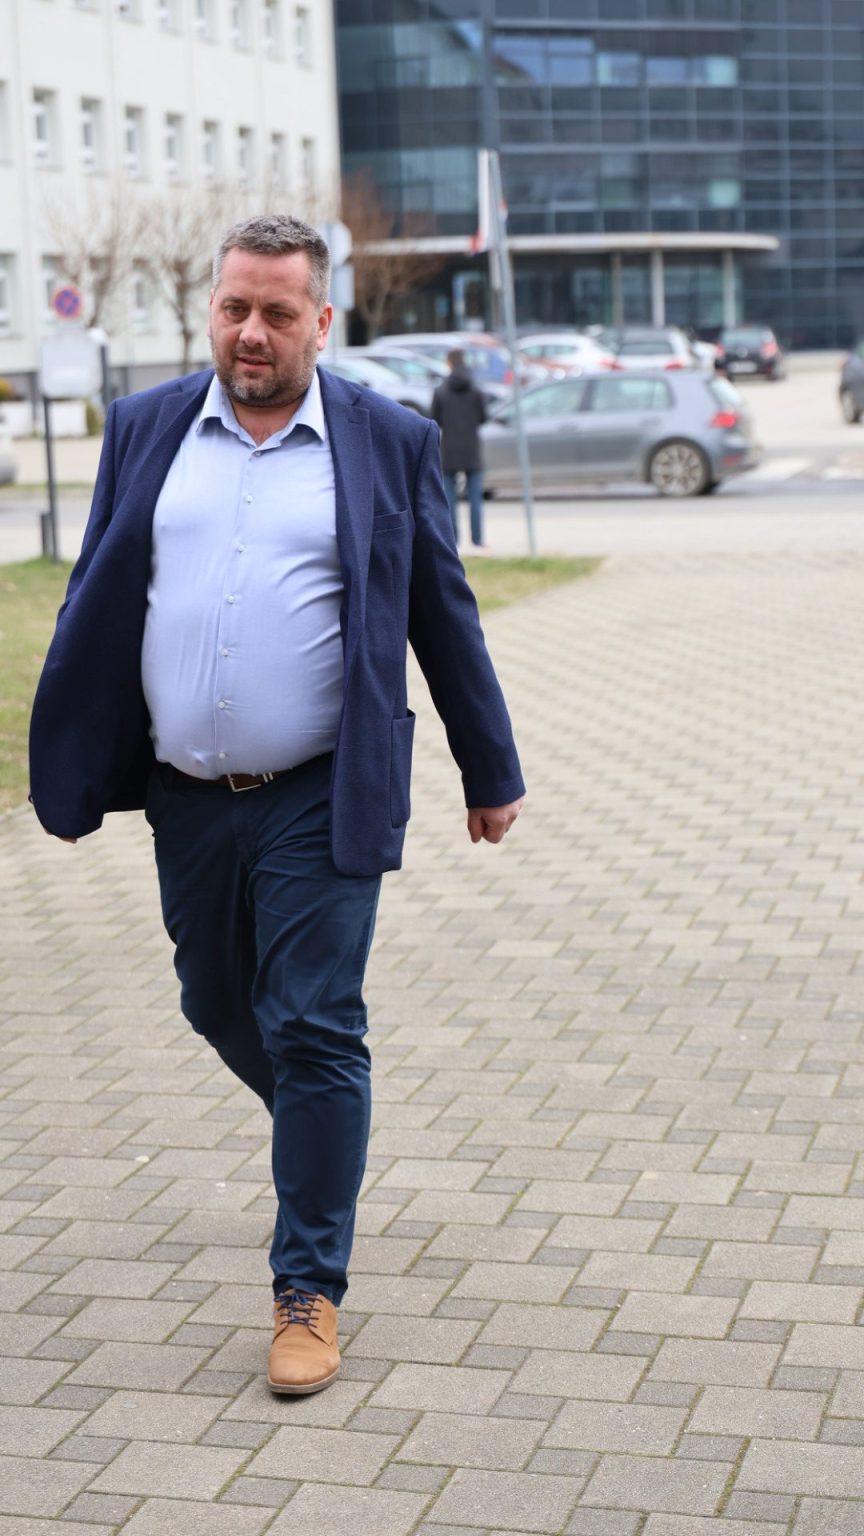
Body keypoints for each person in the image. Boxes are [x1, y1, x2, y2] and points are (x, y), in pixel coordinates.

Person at [29, 214, 524, 1398]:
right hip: (186, 795)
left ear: (322, 320)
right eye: (234, 309)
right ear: (214, 309)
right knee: (216, 1003)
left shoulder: (386, 440)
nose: (251, 333)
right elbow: (102, 591)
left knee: (311, 1023)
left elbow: (440, 609)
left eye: (278, 313)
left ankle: (307, 1286)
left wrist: (489, 766)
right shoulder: (146, 427)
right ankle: (323, 1123)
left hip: (321, 787)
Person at [430, 348, 487, 549]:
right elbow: (483, 417)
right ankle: (477, 539)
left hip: (449, 449)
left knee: (449, 498)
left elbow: (435, 419)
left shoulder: (441, 390)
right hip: (472, 448)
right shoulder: (476, 389)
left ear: (449, 363)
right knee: (475, 497)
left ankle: (453, 540)